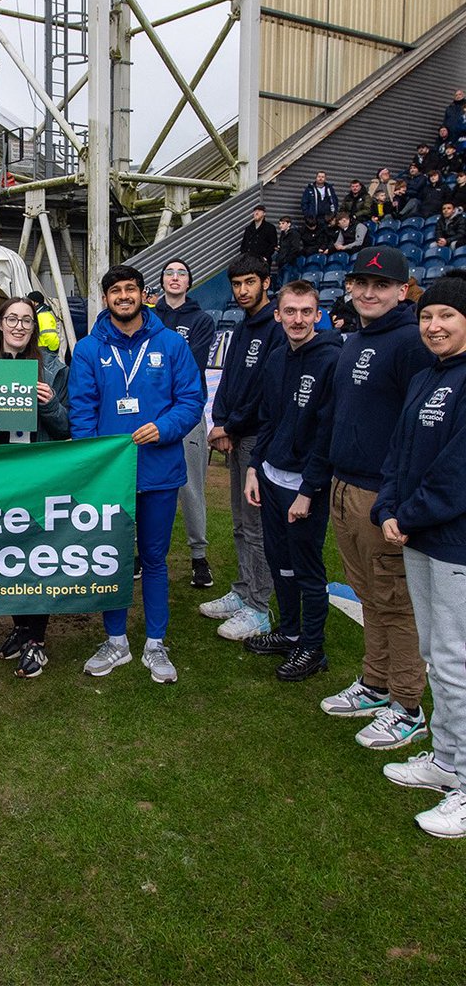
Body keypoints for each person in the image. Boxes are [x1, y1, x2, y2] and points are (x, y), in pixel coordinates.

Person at [315, 247, 432, 748]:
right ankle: (374, 682)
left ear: (403, 290)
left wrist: (396, 496)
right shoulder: (356, 339)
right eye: (360, 283)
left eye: (381, 285)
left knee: (394, 601)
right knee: (369, 595)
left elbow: (418, 431)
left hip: (379, 494)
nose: (368, 292)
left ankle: (408, 706)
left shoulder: (412, 343)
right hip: (345, 485)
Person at [69, 265, 202, 681]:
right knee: (111, 559)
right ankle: (116, 642)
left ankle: (156, 644)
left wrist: (164, 428)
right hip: (112, 476)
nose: (123, 296)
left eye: (130, 289)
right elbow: (82, 411)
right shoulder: (90, 349)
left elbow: (191, 400)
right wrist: (93, 465)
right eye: (115, 291)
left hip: (160, 471)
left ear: (144, 295)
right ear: (105, 298)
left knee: (156, 559)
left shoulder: (170, 344)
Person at [372, 271, 466, 838]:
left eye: (447, 317)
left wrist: (406, 514)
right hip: (417, 536)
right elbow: (400, 450)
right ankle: (445, 759)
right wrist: (388, 503)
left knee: (457, 661)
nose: (434, 325)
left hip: (452, 540)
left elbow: (457, 473)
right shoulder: (429, 376)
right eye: (427, 316)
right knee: (437, 652)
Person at [242, 281, 341, 681]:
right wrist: (253, 466)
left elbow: (327, 433)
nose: (297, 319)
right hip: (269, 476)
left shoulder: (332, 360)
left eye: (306, 312)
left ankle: (312, 648)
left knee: (306, 567)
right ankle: (290, 631)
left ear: (317, 315)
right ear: (278, 314)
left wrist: (309, 489)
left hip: (304, 486)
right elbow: (268, 419)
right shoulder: (277, 357)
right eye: (290, 312)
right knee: (279, 562)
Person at [0, 297, 69, 677]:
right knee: (6, 554)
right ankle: (21, 627)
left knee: (38, 555)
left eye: (27, 320)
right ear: (0, 324)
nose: (20, 326)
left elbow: (66, 431)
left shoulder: (54, 368)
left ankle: (35, 640)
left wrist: (51, 404)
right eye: (13, 319)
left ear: (34, 328)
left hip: (38, 474)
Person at [204, 255, 286, 640]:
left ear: (265, 283)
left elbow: (263, 393)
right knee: (239, 521)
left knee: (255, 527)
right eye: (236, 284)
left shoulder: (274, 328)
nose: (242, 291)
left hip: (255, 437)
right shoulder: (241, 328)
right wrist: (219, 422)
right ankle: (242, 591)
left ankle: (259, 606)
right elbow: (228, 381)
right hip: (235, 434)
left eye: (249, 282)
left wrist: (230, 426)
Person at [153, 260, 216, 590]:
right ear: (162, 281)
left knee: (191, 487)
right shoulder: (148, 317)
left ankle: (198, 556)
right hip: (150, 416)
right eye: (169, 273)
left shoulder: (202, 320)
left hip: (187, 413)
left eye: (181, 273)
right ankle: (143, 553)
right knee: (144, 485)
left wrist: (156, 366)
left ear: (190, 281)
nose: (175, 278)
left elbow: (192, 364)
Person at [275, 216, 303, 287]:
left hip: (289, 263)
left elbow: (295, 249)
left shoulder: (294, 234)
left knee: (286, 285)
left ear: (289, 224)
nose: (280, 225)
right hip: (282, 262)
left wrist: (287, 259)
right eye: (280, 223)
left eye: (283, 223)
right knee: (280, 284)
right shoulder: (283, 234)